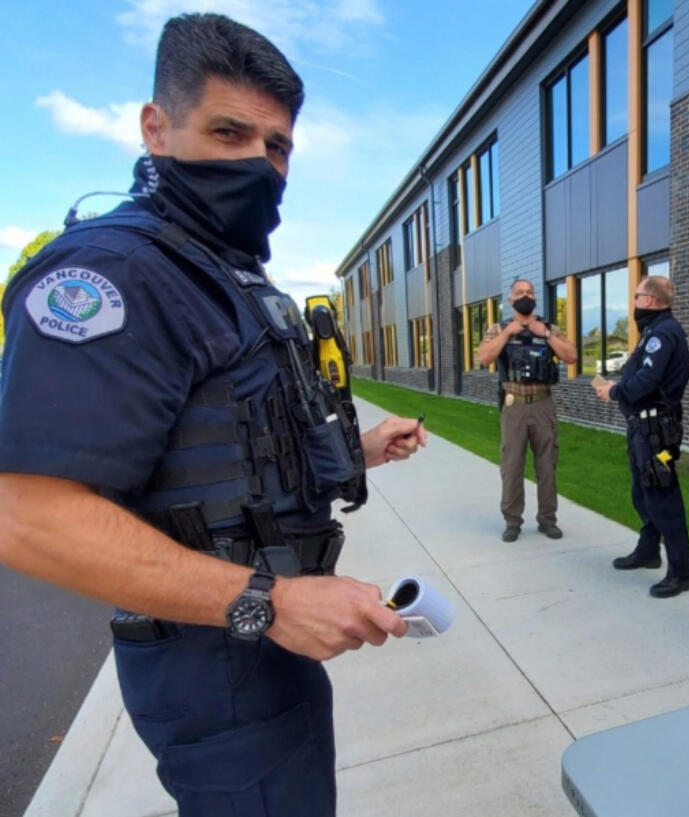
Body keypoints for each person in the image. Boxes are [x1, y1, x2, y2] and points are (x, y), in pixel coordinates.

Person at [0, 14, 426, 816]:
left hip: (259, 640)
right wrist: (274, 601)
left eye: (276, 146)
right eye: (228, 132)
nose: (258, 164)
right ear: (156, 128)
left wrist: (358, 451)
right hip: (215, 657)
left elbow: (229, 454)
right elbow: (28, 517)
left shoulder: (218, 276)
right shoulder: (116, 273)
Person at [594, 276, 689, 597]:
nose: (634, 302)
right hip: (643, 428)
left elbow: (646, 380)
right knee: (643, 494)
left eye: (636, 296)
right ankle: (649, 549)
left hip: (656, 432)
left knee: (663, 499)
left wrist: (614, 391)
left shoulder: (663, 333)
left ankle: (682, 572)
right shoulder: (654, 331)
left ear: (649, 300)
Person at [476, 278, 577, 542]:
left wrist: (544, 333)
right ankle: (512, 521)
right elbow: (484, 357)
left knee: (547, 464)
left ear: (535, 298)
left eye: (530, 292)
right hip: (514, 405)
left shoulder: (548, 328)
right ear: (510, 300)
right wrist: (508, 334)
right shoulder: (498, 328)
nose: (525, 296)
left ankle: (547, 519)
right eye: (520, 292)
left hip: (543, 403)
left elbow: (571, 356)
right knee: (512, 465)